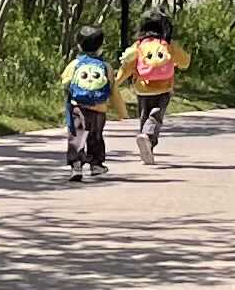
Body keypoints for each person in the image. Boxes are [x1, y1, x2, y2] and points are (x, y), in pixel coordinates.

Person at [125, 13, 187, 160]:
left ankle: (147, 146)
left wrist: (116, 81)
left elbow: (128, 65)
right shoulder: (167, 45)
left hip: (142, 88)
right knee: (156, 116)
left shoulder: (139, 45)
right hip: (164, 88)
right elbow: (184, 62)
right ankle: (147, 138)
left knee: (144, 116)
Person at [61, 27, 115, 176]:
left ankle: (76, 166)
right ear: (101, 46)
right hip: (99, 109)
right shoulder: (106, 66)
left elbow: (65, 82)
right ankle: (96, 165)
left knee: (77, 136)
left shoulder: (74, 64)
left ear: (79, 45)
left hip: (78, 107)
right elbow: (111, 86)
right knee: (95, 137)